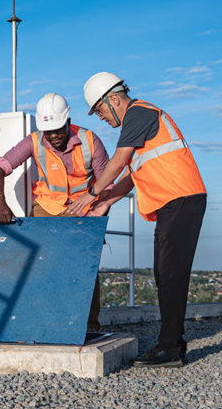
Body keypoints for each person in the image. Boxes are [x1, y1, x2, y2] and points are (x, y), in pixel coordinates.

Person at [68, 72, 207, 368]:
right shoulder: (138, 120)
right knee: (164, 272)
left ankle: (171, 348)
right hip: (175, 203)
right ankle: (171, 344)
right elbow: (132, 174)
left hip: (182, 199)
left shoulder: (139, 113)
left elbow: (118, 162)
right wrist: (106, 200)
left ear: (113, 99)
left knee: (170, 274)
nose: (101, 117)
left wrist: (91, 193)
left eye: (101, 110)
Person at [0, 92, 111, 332]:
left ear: (68, 121)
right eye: (48, 131)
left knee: (85, 267)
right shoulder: (33, 141)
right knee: (40, 265)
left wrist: (98, 209)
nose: (53, 136)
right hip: (46, 208)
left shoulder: (90, 140)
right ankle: (41, 323)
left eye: (57, 129)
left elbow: (108, 182)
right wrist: (0, 202)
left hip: (83, 211)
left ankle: (89, 327)